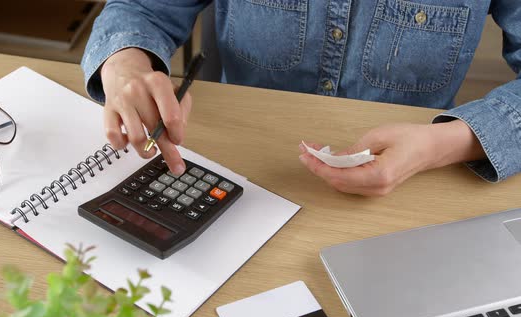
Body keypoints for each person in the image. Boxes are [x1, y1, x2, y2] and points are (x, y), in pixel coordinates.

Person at [81, 0, 521, 196]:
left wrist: (447, 143)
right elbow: (140, 9)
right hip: (243, 170)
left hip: (414, 188)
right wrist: (125, 65)